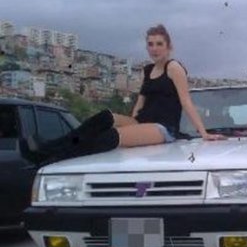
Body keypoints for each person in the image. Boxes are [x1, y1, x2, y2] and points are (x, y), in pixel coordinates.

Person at [37, 24, 225, 164]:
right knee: (103, 118)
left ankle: (57, 158)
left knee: (110, 136)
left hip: (162, 127)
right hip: (141, 121)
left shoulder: (174, 67)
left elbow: (186, 101)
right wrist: (131, 121)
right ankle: (49, 148)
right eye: (150, 44)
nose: (154, 48)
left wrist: (204, 133)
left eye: (159, 44)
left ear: (169, 47)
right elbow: (140, 102)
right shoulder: (148, 70)